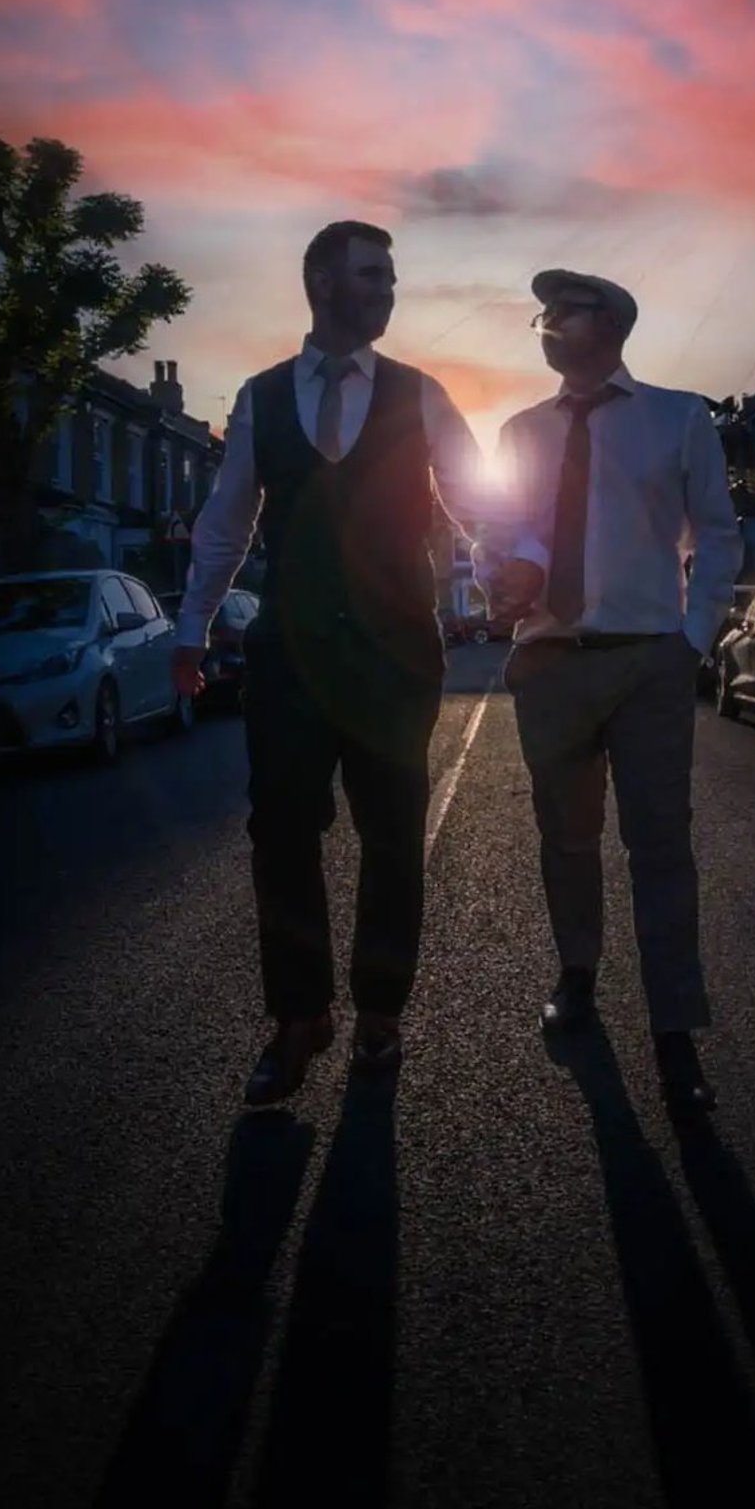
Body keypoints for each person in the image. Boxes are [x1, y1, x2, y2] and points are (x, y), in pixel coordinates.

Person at [172, 221, 496, 1107]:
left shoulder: (420, 394)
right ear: (320, 282)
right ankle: (299, 1017)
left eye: (391, 277)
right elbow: (228, 522)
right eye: (371, 275)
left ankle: (380, 1018)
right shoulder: (261, 397)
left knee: (393, 838)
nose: (388, 290)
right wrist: (191, 627)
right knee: (280, 835)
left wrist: (521, 574)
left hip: (395, 663)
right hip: (289, 656)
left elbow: (477, 500)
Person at [477, 270, 743, 1116]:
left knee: (661, 846)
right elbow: (501, 531)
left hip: (647, 660)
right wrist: (504, 572)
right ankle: (578, 976)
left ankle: (674, 1030)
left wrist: (690, 639)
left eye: (566, 310)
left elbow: (720, 534)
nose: (548, 324)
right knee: (566, 839)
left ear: (614, 323)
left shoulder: (680, 416)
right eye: (543, 315)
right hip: (551, 660)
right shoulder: (519, 430)